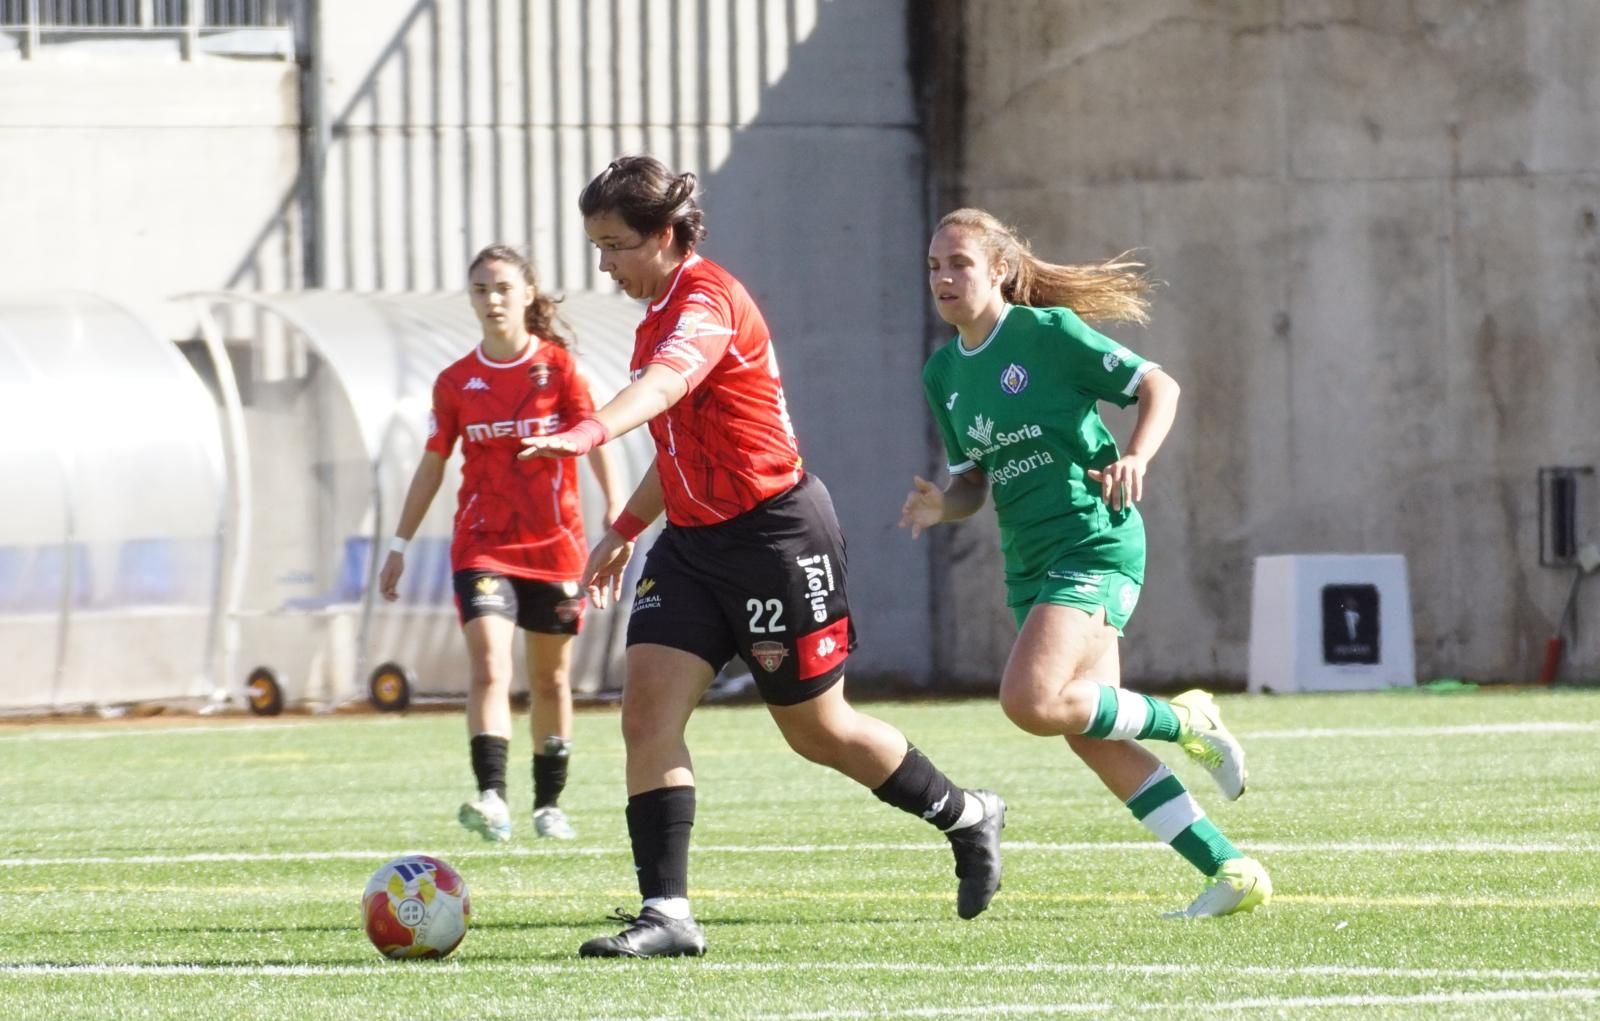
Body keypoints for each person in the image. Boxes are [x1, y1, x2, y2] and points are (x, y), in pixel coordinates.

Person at [519, 155, 1006, 958]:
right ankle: (668, 911)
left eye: (615, 245)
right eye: (597, 245)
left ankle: (966, 813)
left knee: (817, 729)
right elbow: (676, 446)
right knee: (645, 712)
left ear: (667, 236)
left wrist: (587, 431)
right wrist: (624, 528)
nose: (603, 264)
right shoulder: (655, 311)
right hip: (694, 544)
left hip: (778, 534)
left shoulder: (706, 302)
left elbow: (666, 390)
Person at [900, 208, 1272, 918]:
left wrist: (1135, 455)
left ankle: (1184, 718)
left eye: (960, 264)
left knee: (1030, 702)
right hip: (1030, 559)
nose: (944, 278)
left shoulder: (1047, 335)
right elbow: (973, 482)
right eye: (934, 266)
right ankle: (1230, 869)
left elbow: (1160, 385)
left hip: (1093, 540)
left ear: (1000, 270)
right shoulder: (943, 372)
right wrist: (940, 507)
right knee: (1090, 734)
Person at [380, 244, 625, 844]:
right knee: (489, 665)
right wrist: (399, 543)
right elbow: (433, 465)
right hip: (482, 545)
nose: (491, 300)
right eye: (480, 290)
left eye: (502, 289)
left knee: (549, 680)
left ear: (528, 295)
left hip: (555, 547)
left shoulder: (560, 369)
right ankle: (492, 796)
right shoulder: (456, 382)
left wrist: (618, 512)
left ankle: (549, 805)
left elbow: (597, 438)